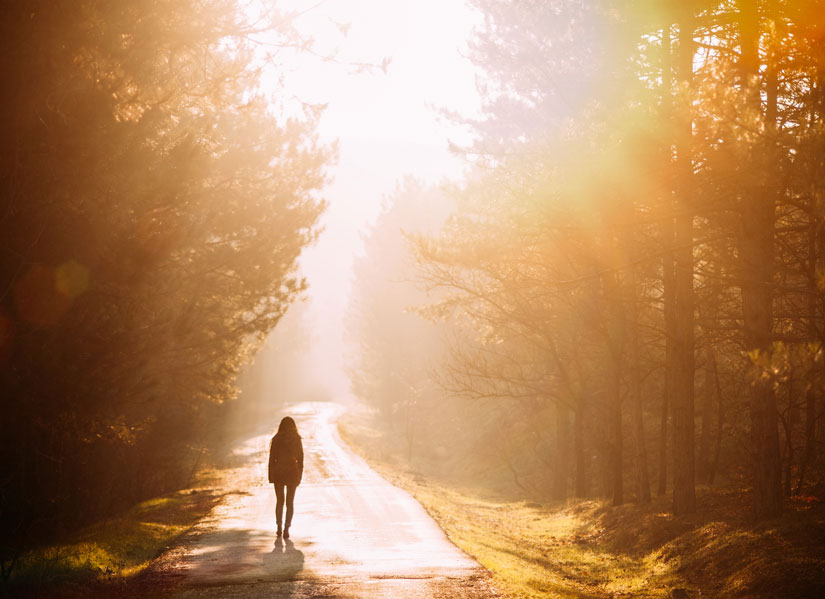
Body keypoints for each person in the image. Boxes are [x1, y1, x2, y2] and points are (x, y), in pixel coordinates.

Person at [268, 416, 304, 539]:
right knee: (290, 502)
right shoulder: (297, 439)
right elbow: (301, 459)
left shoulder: (276, 439)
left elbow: (272, 459)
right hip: (292, 472)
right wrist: (300, 474)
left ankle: (278, 527)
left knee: (279, 501)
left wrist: (271, 475)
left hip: (279, 472)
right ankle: (286, 528)